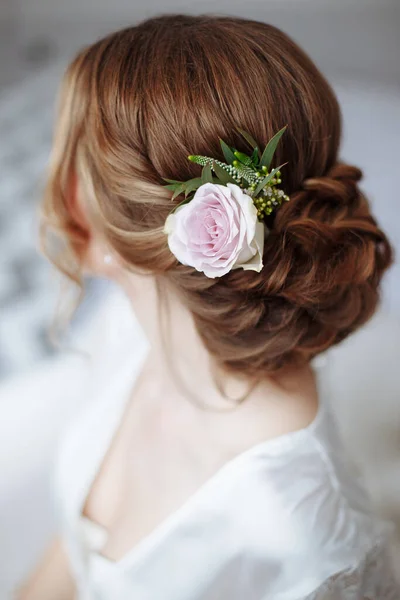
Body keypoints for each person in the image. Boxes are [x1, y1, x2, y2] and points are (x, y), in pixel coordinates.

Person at [17, 13, 399, 599]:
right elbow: (69, 549)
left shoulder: (301, 539)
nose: (62, 186)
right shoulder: (132, 326)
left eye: (76, 168)